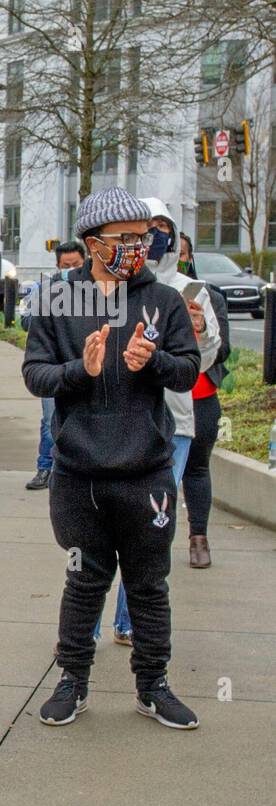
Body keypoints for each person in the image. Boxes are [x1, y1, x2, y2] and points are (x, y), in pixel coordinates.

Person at [23, 187, 201, 730]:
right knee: (83, 581)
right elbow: (35, 375)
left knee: (149, 586)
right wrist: (83, 370)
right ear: (93, 243)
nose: (138, 247)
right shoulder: (58, 300)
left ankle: (153, 686)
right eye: (125, 238)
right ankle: (72, 682)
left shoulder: (163, 301)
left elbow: (189, 370)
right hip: (80, 476)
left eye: (143, 237)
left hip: (145, 471)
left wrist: (155, 362)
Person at [177, 232, 231, 569]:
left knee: (196, 469)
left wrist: (201, 329)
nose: (177, 259)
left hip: (200, 396)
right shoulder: (146, 294)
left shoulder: (209, 296)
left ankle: (199, 538)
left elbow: (223, 349)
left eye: (183, 254)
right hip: (164, 398)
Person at [23, 240, 86, 491]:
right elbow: (27, 323)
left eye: (76, 264)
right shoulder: (46, 290)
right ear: (57, 266)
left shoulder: (97, 291)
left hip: (84, 367)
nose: (71, 269)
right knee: (50, 420)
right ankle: (45, 467)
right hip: (54, 368)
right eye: (65, 265)